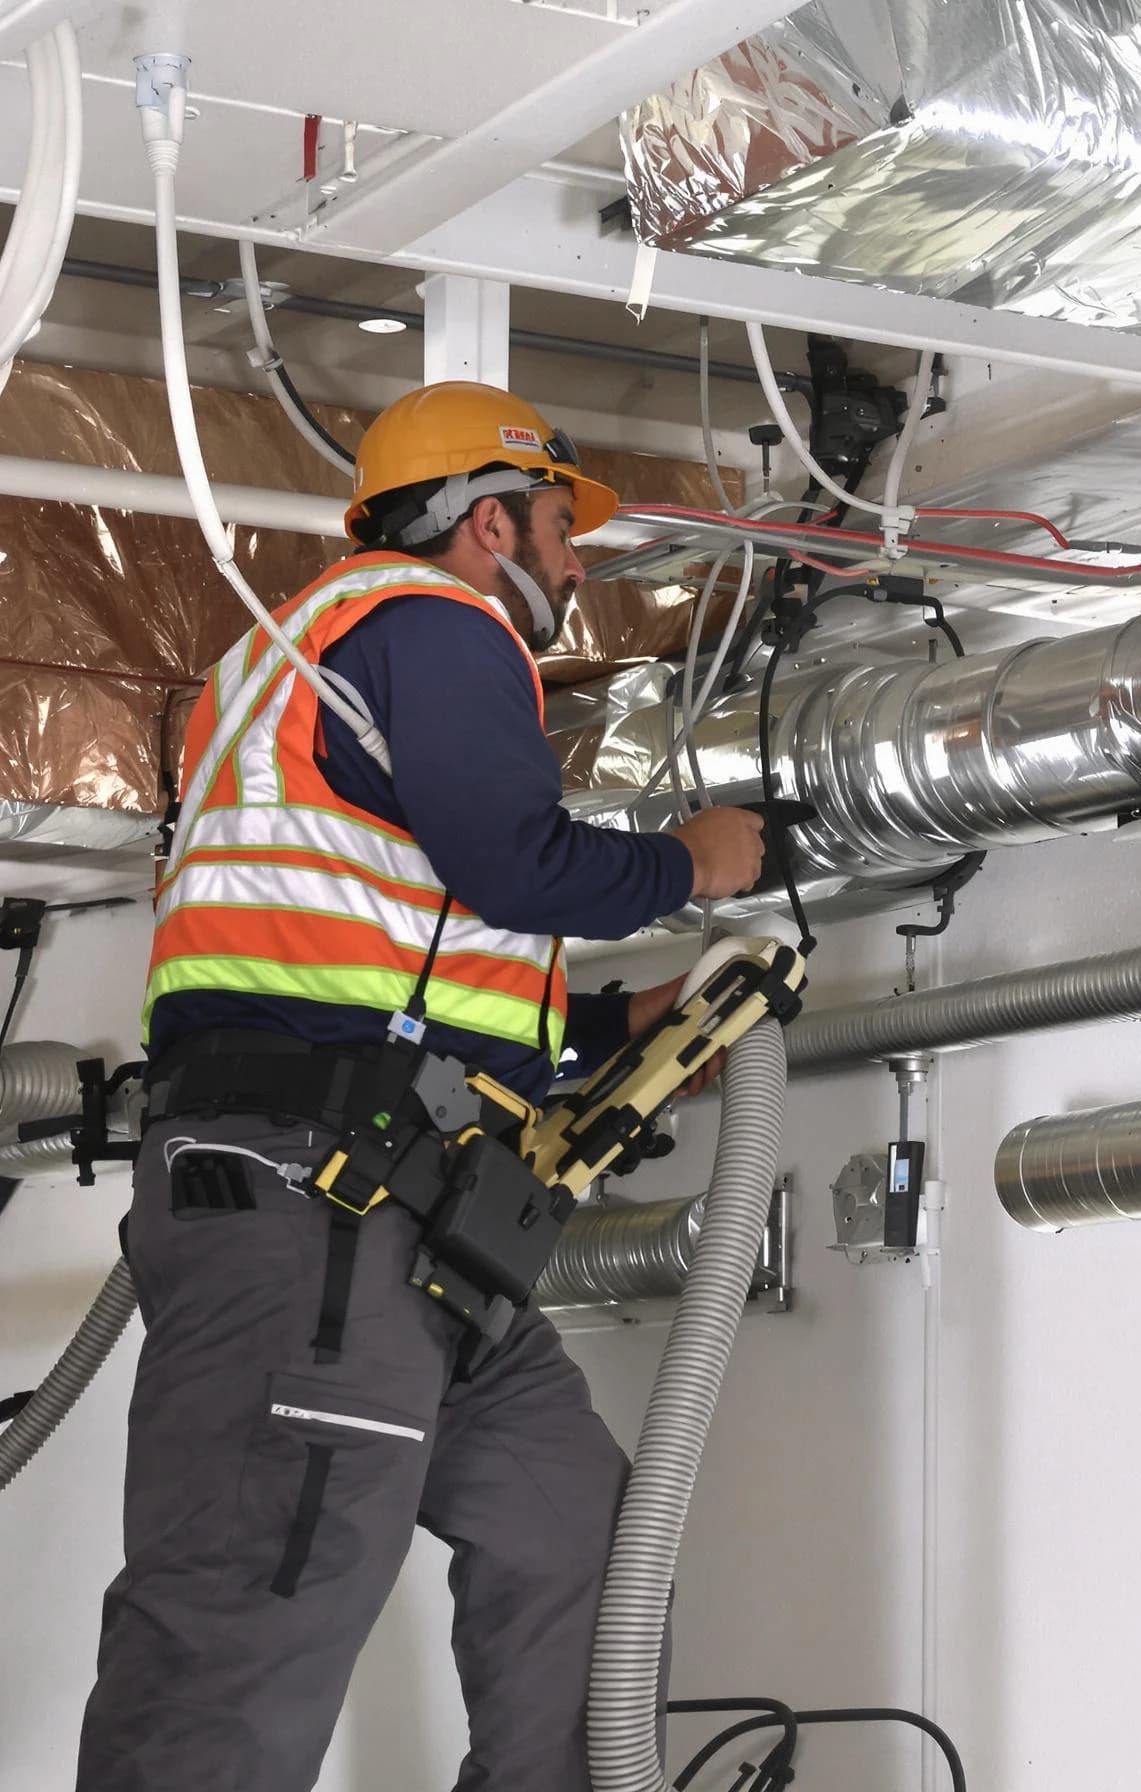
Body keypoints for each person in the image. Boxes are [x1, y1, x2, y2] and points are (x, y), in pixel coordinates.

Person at [76, 382, 764, 1791]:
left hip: (414, 1222)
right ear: (485, 518)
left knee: (581, 1550)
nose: (575, 564)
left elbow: (406, 965)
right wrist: (698, 862)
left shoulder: (305, 668)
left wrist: (610, 1023)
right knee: (252, 1621)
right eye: (562, 529)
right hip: (321, 1219)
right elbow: (514, 860)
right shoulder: (426, 619)